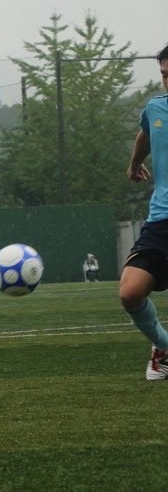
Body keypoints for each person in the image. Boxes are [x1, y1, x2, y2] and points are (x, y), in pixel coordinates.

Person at [119, 43, 168, 381]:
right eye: (164, 75)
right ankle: (163, 348)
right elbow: (146, 134)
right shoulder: (156, 108)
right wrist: (135, 163)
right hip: (162, 219)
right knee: (130, 291)